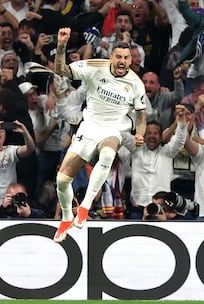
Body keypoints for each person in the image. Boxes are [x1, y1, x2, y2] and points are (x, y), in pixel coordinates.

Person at [53, 27, 146, 242]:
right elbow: (61, 71)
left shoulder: (135, 84)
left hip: (114, 129)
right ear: (111, 57)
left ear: (131, 60)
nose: (122, 61)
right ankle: (67, 216)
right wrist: (61, 45)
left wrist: (139, 133)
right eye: (119, 57)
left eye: (126, 57)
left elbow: (141, 116)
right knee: (62, 180)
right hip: (89, 128)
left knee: (107, 155)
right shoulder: (95, 67)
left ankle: (85, 207)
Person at [125, 105, 187, 215]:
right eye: (149, 133)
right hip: (137, 208)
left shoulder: (167, 152)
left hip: (162, 210)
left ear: (160, 136)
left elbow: (180, 140)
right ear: (144, 135)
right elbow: (123, 135)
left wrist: (181, 121)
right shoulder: (136, 148)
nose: (152, 136)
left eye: (155, 133)